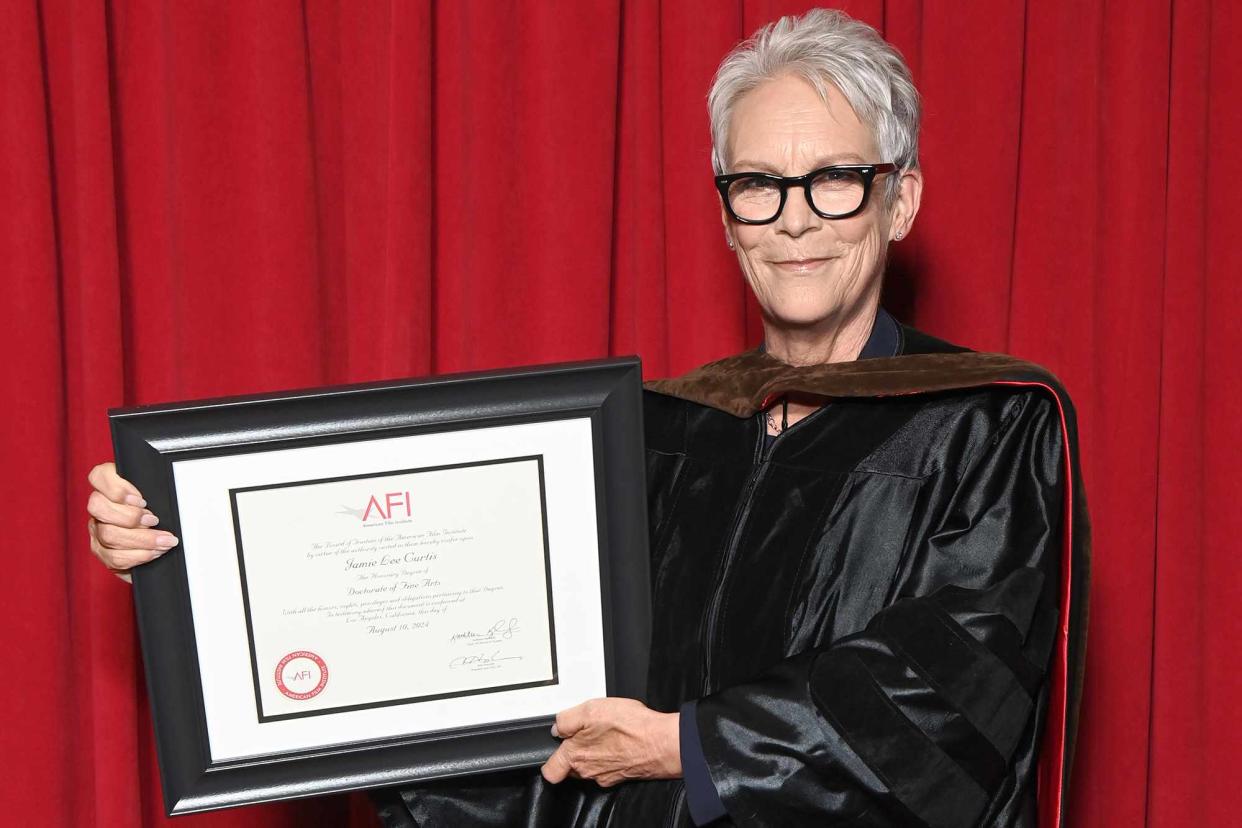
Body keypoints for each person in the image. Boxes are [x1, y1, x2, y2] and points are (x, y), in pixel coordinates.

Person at [86, 9, 1088, 827]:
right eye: (756, 184)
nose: (791, 218)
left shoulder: (987, 426)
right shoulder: (659, 435)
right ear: (723, 207)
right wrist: (192, 564)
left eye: (832, 181)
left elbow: (949, 699)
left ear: (898, 199)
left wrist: (690, 747)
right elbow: (484, 677)